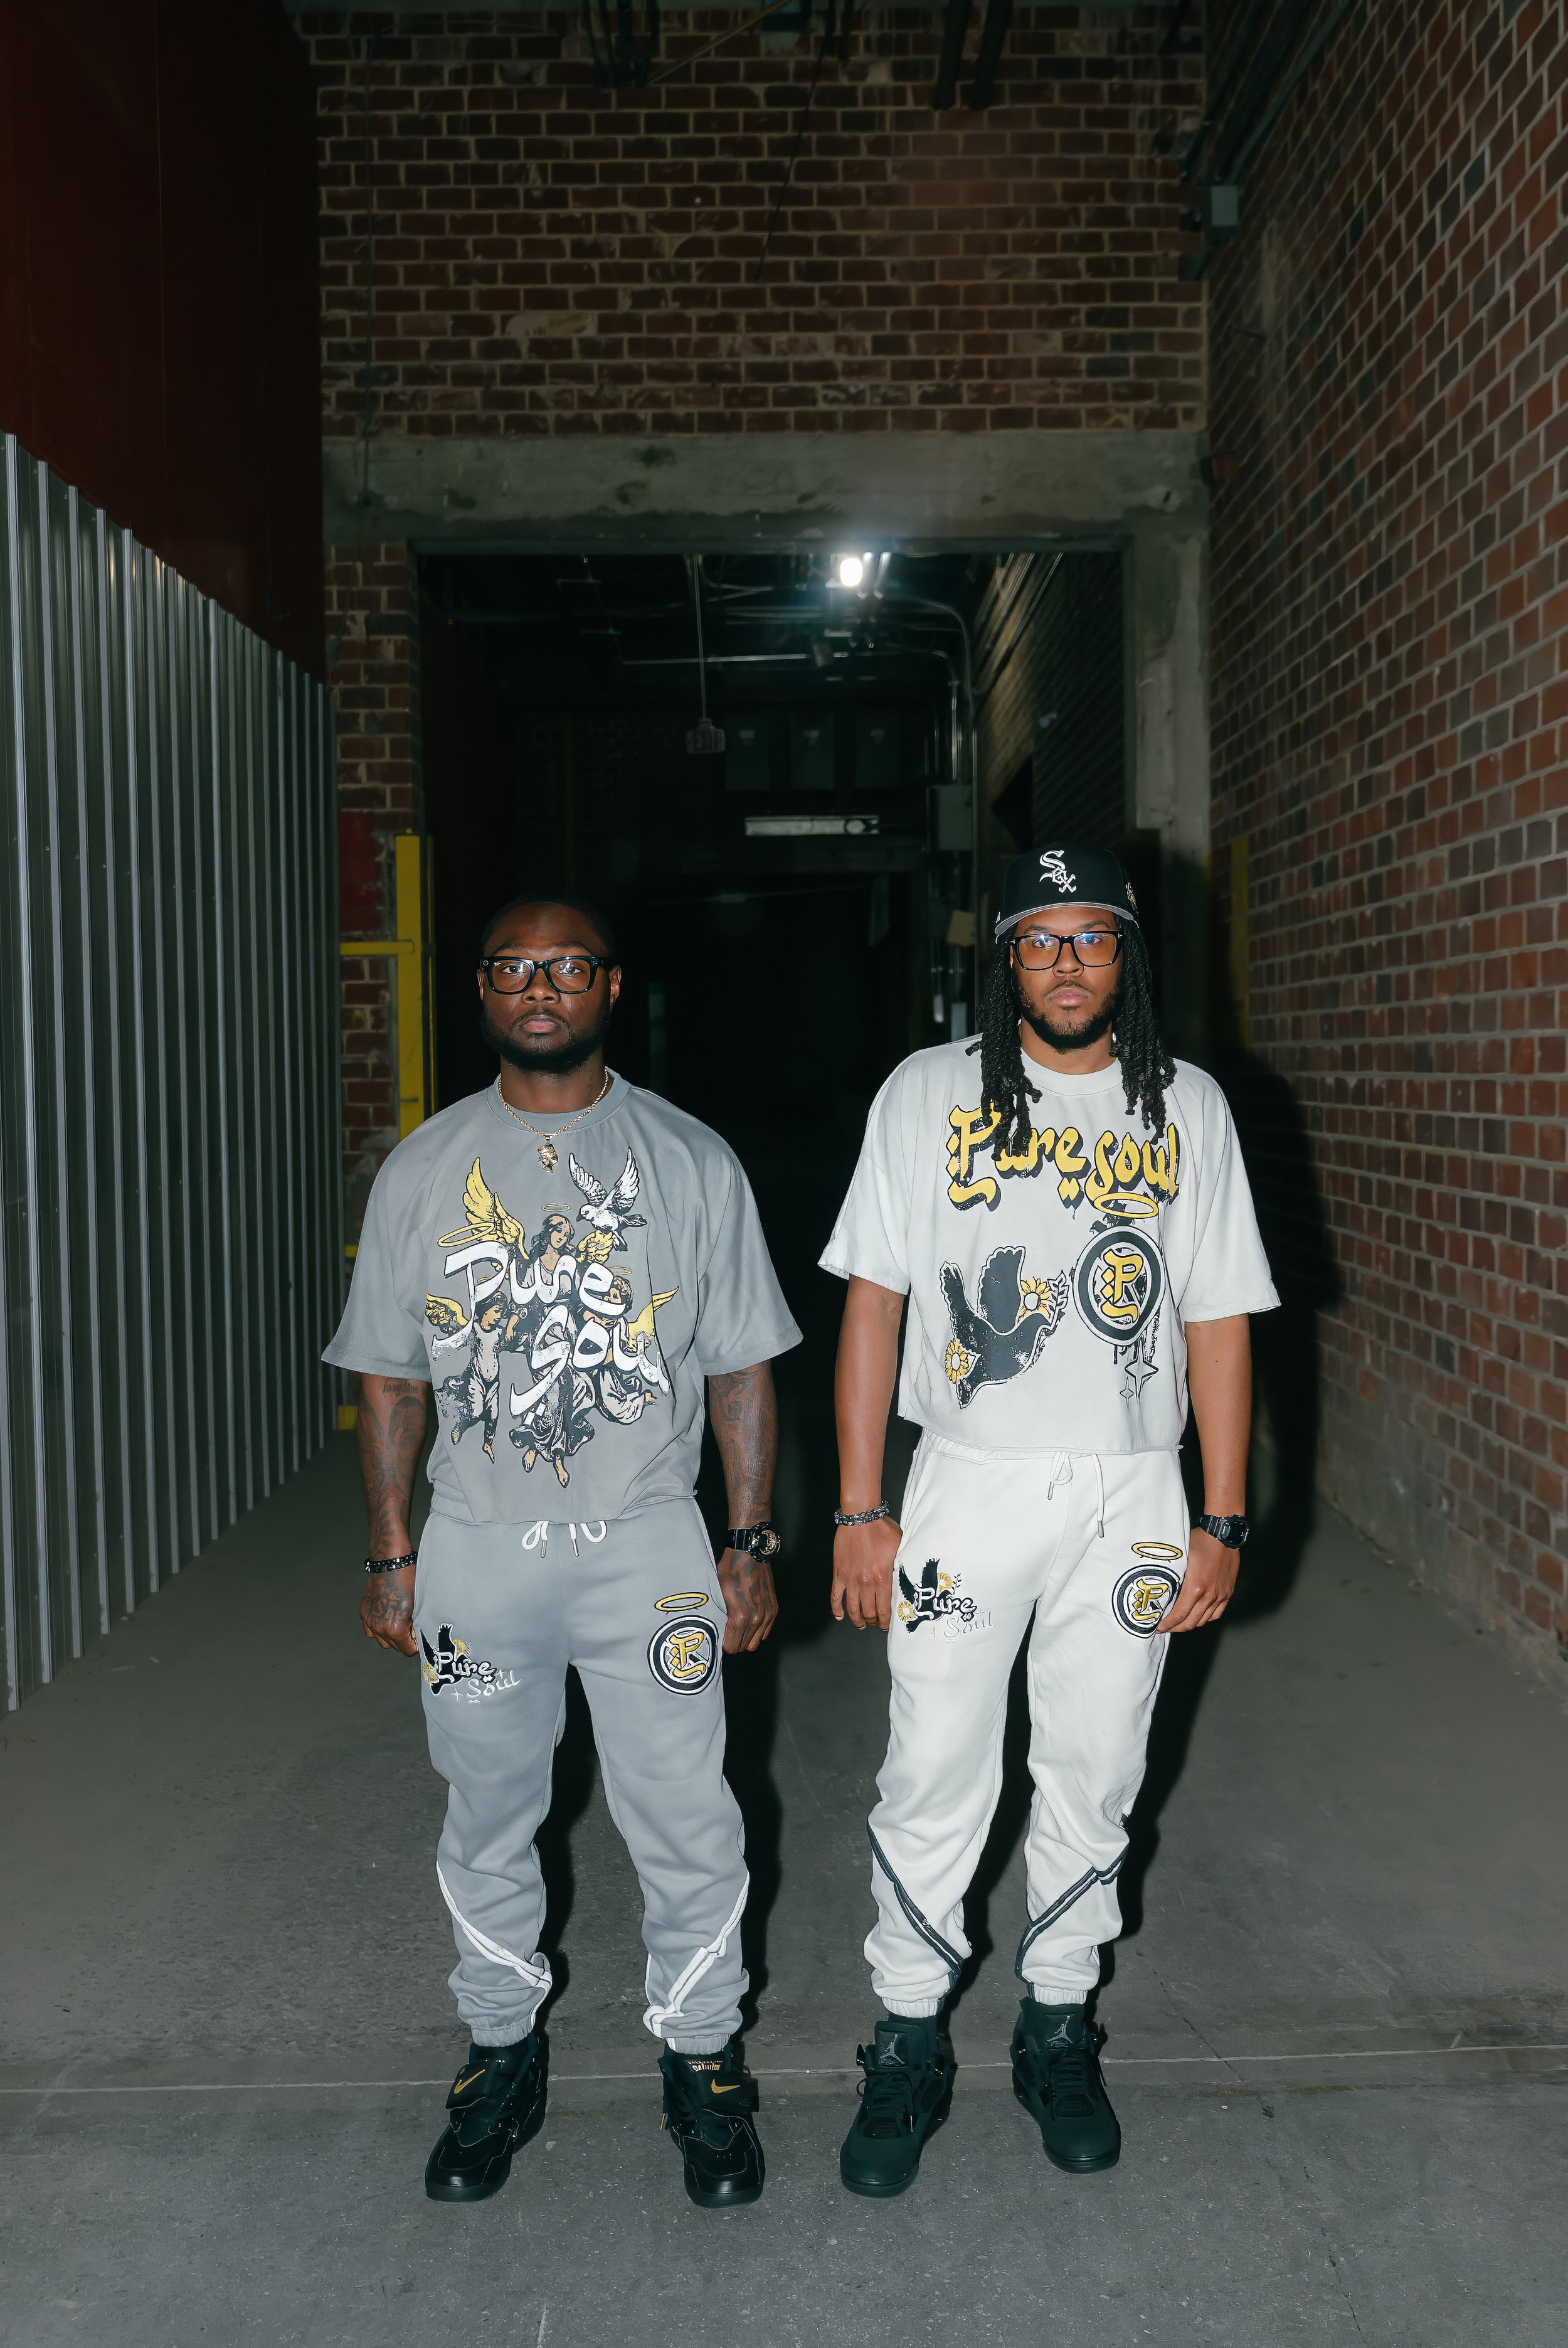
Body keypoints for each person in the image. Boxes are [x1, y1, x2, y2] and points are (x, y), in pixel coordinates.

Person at [326, 893, 800, 2210]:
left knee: (685, 1814)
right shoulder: (424, 1167)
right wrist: (389, 1551)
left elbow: (742, 1368)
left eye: (566, 967)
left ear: (611, 986)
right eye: (513, 968)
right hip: (477, 1551)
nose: (539, 987)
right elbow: (390, 1382)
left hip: (646, 1545)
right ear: (480, 991)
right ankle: (498, 2050)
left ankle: (701, 2062)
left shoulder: (691, 1159)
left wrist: (747, 1542)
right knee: (486, 1812)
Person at [820, 843, 1278, 2197]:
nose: (1066, 962)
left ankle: (1055, 2021)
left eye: (1091, 938)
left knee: (1095, 1767)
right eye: (1040, 939)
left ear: (1126, 957)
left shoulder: (1184, 1105)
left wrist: (1225, 1516)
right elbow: (873, 1306)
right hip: (967, 1474)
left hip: (1132, 1491)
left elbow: (1219, 1317)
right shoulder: (924, 1093)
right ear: (1003, 957)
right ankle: (907, 2032)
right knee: (934, 1767)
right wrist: (857, 1505)